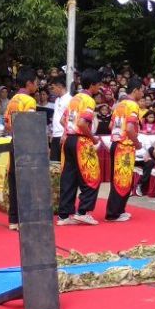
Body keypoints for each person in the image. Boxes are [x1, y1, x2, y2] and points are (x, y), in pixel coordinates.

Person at [58, 69, 103, 226]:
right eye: (99, 85)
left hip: (69, 139)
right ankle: (83, 212)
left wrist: (67, 132)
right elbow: (83, 123)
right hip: (81, 141)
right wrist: (93, 137)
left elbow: (63, 120)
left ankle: (64, 216)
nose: (100, 88)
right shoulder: (89, 101)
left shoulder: (74, 99)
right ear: (92, 85)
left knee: (69, 177)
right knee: (92, 176)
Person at [105, 76, 144, 222]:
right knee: (123, 179)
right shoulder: (133, 106)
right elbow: (129, 128)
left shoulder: (119, 105)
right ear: (136, 90)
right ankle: (114, 213)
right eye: (142, 90)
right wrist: (137, 142)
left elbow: (110, 126)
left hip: (115, 142)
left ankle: (118, 210)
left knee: (117, 179)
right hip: (125, 145)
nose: (143, 94)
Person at [4, 66, 38, 231]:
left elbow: (7, 124)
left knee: (14, 181)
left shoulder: (12, 100)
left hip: (14, 141)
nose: (37, 85)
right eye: (35, 82)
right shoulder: (29, 101)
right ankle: (26, 218)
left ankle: (13, 219)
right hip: (26, 143)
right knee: (26, 181)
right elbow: (31, 124)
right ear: (29, 83)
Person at [50, 76, 72, 161]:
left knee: (63, 162)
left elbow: (70, 120)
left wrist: (65, 133)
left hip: (64, 135)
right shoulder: (56, 100)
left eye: (53, 87)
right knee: (54, 165)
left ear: (59, 86)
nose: (52, 90)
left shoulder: (70, 100)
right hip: (55, 135)